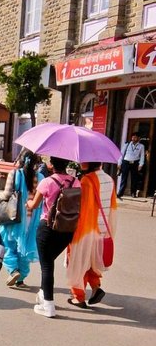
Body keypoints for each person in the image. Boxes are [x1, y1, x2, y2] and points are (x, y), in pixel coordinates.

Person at [27, 156, 81, 318]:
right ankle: (44, 294)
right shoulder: (75, 182)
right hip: (68, 228)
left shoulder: (47, 182)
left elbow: (34, 205)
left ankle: (48, 305)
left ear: (51, 165)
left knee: (47, 265)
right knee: (49, 261)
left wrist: (27, 203)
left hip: (48, 227)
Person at [65, 162, 117, 307]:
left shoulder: (87, 180)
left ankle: (78, 296)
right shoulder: (109, 179)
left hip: (87, 228)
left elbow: (82, 208)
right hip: (103, 228)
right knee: (93, 260)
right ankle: (95, 287)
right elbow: (112, 205)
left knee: (79, 260)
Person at [0, 150, 44, 289]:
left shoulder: (15, 174)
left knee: (7, 245)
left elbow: (6, 195)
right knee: (24, 248)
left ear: (21, 160)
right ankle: (21, 278)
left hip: (15, 217)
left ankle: (13, 270)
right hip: (32, 219)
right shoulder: (41, 177)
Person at [117, 132, 145, 199]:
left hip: (135, 163)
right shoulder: (127, 144)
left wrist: (141, 164)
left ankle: (133, 193)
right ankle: (120, 193)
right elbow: (121, 154)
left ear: (139, 138)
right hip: (126, 162)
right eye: (133, 137)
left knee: (134, 179)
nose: (133, 138)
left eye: (135, 137)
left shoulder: (141, 146)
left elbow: (142, 156)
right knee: (124, 179)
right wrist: (119, 163)